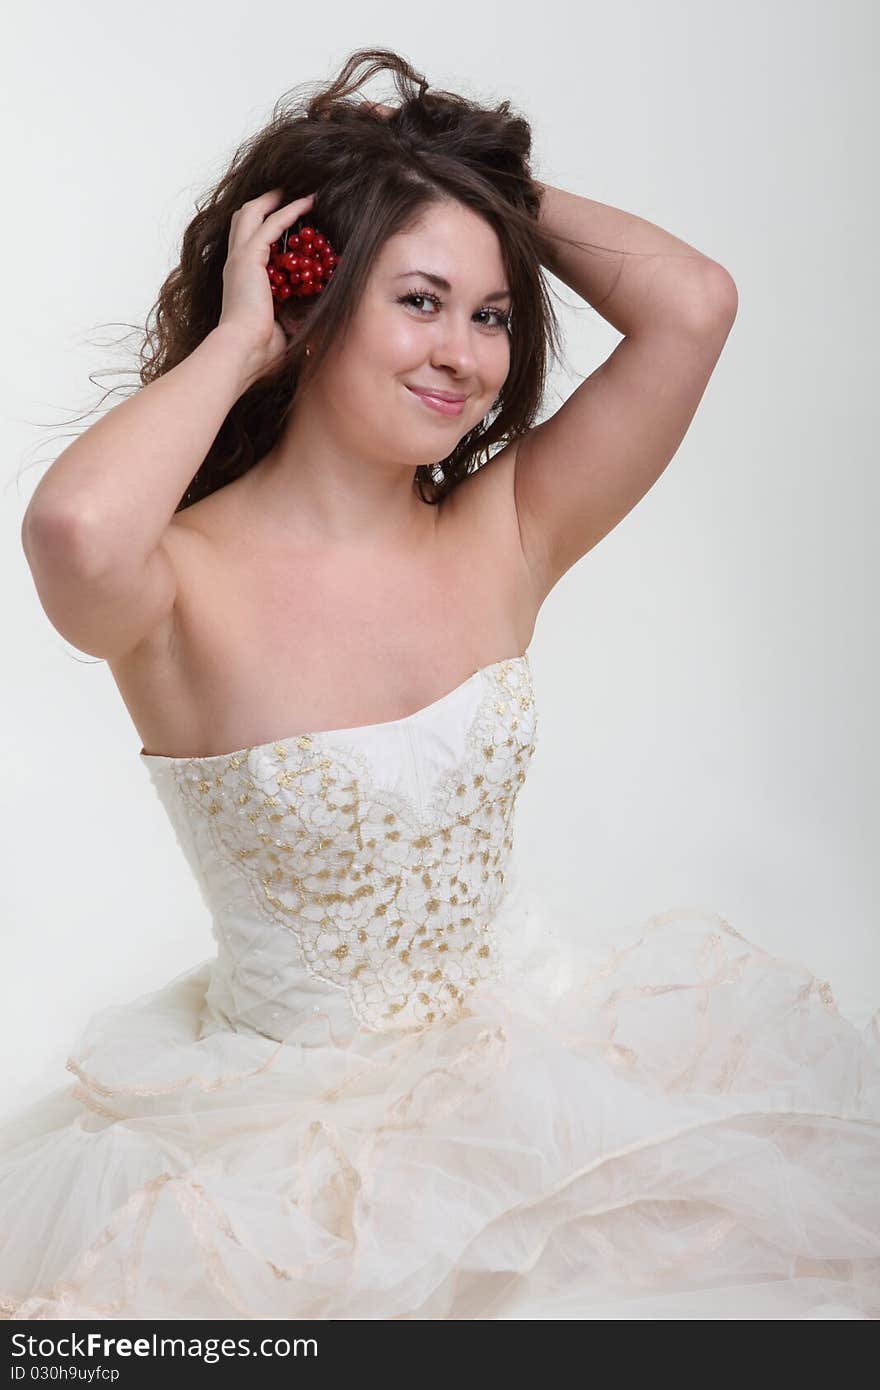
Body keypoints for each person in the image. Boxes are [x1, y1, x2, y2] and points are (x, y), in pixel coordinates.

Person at [5, 47, 879, 1321]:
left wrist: (463, 174)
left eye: (491, 315)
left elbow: (692, 302)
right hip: (266, 1160)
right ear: (313, 298)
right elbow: (73, 533)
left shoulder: (506, 526)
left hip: (527, 1094)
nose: (465, 355)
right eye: (420, 300)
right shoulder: (172, 581)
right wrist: (246, 334)